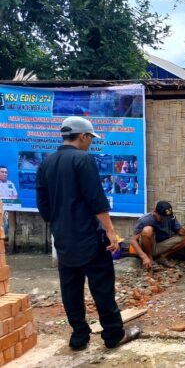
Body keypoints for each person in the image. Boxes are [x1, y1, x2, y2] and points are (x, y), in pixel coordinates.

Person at [36, 116, 141, 351]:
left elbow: (43, 206)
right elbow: (96, 200)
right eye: (90, 138)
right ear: (82, 136)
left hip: (62, 238)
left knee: (70, 289)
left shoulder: (47, 163)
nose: (90, 143)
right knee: (102, 287)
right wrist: (111, 232)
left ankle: (79, 337)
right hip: (89, 238)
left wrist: (61, 225)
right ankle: (114, 334)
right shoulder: (83, 160)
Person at [130, 201, 185, 270]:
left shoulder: (170, 217)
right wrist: (144, 257)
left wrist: (182, 231)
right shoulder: (145, 220)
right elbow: (133, 240)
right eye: (161, 217)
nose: (164, 220)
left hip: (162, 245)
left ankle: (162, 257)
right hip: (149, 246)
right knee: (147, 230)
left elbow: (179, 231)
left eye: (166, 218)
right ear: (154, 212)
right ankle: (150, 259)